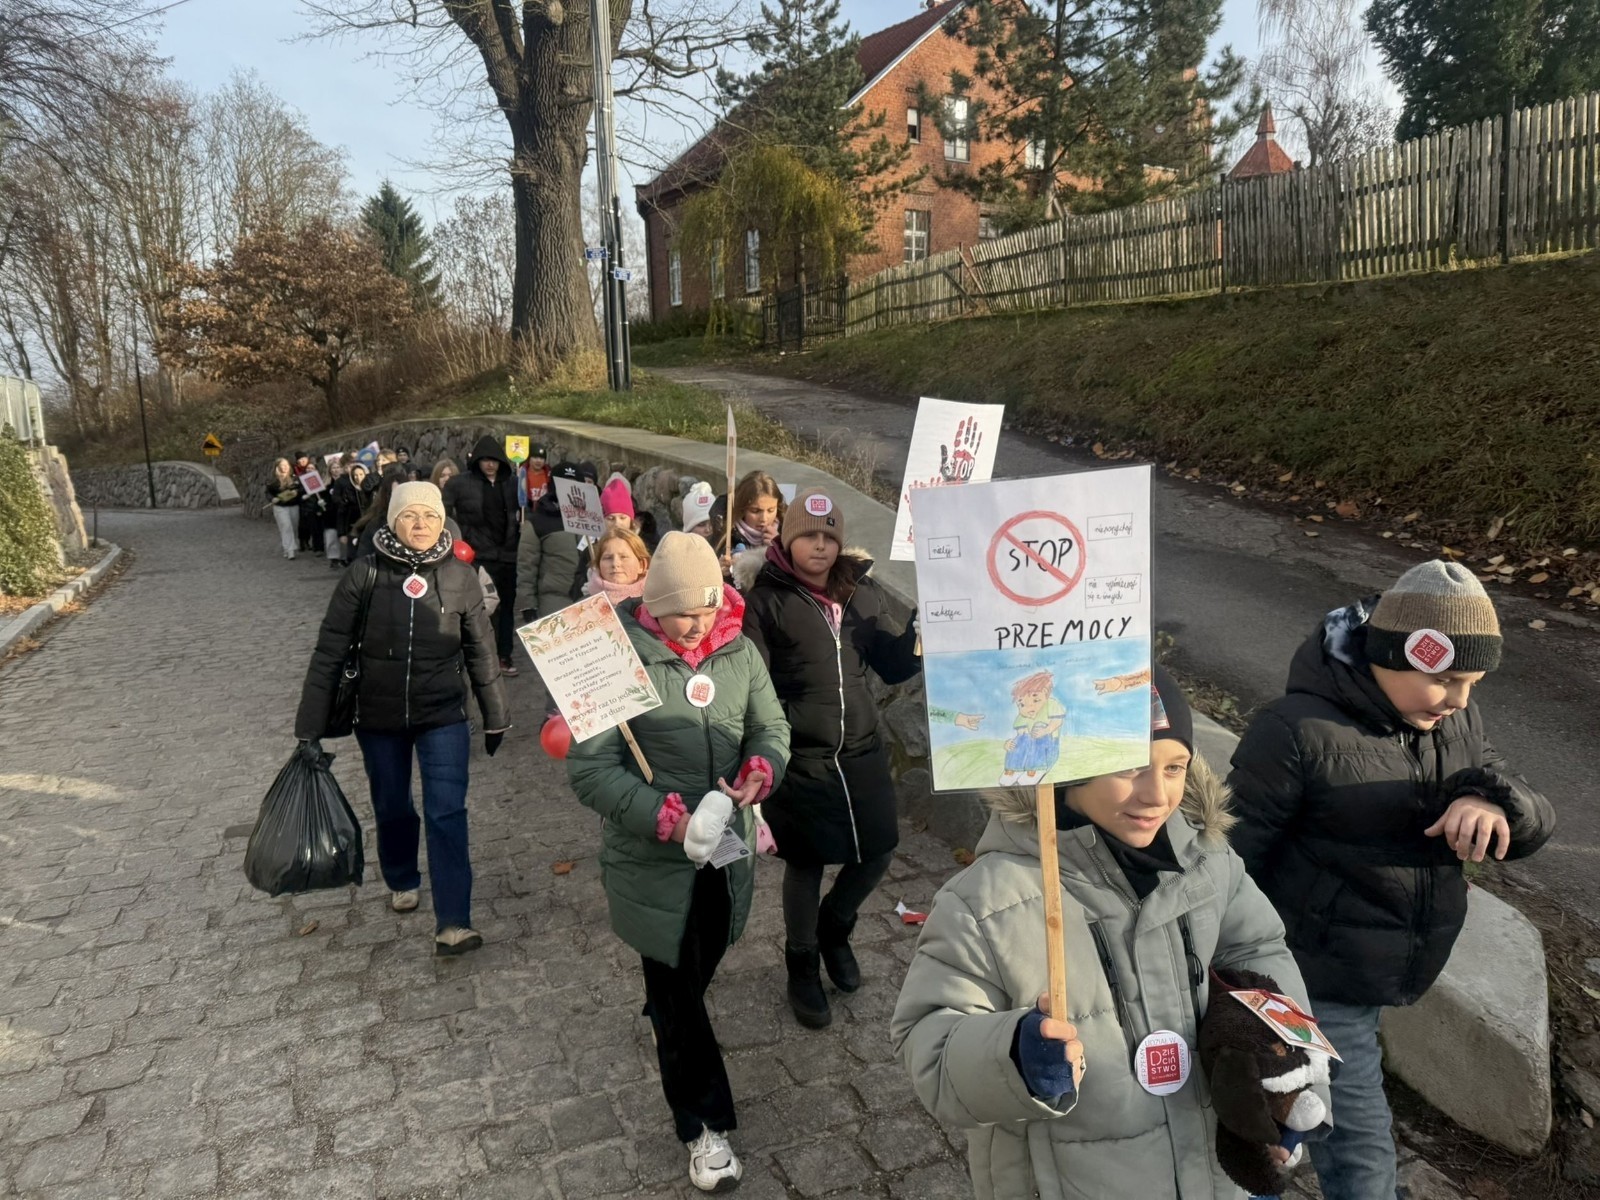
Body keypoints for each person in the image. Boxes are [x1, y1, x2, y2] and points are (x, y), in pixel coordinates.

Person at [891, 667, 1328, 1200]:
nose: (1155, 794)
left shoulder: (1209, 861)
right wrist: (1011, 1058)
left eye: (1174, 768)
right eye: (1127, 766)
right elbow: (931, 1047)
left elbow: (1258, 949)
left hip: (1213, 1175)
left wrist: (1281, 1067)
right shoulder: (985, 900)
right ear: (1069, 765)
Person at [1227, 561, 1555, 1200]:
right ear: (1390, 655)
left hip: (1386, 964)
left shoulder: (1453, 722)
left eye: (1474, 682)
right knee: (1358, 1133)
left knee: (1298, 1102)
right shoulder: (1295, 731)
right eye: (1447, 678)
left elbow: (1513, 797)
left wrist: (1494, 802)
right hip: (1313, 971)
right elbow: (1234, 856)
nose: (1460, 698)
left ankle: (1250, 1162)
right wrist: (1236, 971)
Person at [566, 532, 789, 1193]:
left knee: (705, 954)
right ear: (653, 604)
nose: (695, 623)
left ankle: (666, 1005)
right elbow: (591, 770)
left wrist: (759, 771)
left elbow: (770, 729)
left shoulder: (740, 653)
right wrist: (667, 819)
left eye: (705, 607)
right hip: (652, 859)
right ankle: (704, 1126)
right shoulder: (611, 659)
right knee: (680, 998)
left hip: (725, 845)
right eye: (681, 611)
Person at [294, 481, 510, 956]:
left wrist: (496, 715)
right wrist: (308, 728)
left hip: (444, 714)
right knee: (392, 804)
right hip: (379, 715)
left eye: (430, 516)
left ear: (442, 521)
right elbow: (329, 650)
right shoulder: (363, 574)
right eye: (410, 516)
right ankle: (401, 874)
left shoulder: (460, 576)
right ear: (393, 520)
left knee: (447, 810)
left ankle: (454, 920)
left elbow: (482, 649)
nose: (421, 525)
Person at [736, 488, 921, 1029]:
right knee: (807, 861)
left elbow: (891, 666)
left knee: (878, 850)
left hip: (861, 751)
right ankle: (801, 963)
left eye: (828, 537)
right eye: (808, 536)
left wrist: (916, 636)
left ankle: (834, 928)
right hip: (800, 757)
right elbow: (753, 683)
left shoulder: (859, 593)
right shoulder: (765, 598)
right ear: (789, 539)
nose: (819, 546)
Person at [443, 436, 522, 676]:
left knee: (506, 608)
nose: (490, 464)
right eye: (486, 459)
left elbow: (524, 510)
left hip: (508, 554)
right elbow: (444, 513)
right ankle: (480, 655)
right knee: (482, 608)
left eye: (495, 460)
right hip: (478, 557)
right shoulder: (459, 484)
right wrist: (460, 539)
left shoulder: (513, 483)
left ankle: (504, 655)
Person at [516, 461, 588, 621]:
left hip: (588, 599)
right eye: (564, 483)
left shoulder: (593, 521)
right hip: (553, 601)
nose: (570, 488)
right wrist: (527, 605)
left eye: (575, 484)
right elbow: (526, 567)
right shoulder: (538, 522)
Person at [708, 472, 784, 567]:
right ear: (742, 509)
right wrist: (718, 570)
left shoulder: (787, 533)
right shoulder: (724, 535)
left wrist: (780, 548)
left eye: (771, 510)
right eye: (755, 511)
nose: (764, 519)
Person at [582, 527, 651, 606]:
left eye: (623, 557)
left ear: (642, 565)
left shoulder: (658, 604)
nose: (615, 564)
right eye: (608, 558)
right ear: (598, 565)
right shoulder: (582, 607)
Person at [329, 457, 367, 566]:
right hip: (352, 526)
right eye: (355, 475)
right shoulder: (347, 491)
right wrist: (342, 533)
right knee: (353, 554)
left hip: (368, 527)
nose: (358, 478)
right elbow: (342, 512)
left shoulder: (371, 491)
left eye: (361, 474)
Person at [265, 458, 303, 560]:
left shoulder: (295, 478)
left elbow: (301, 489)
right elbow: (268, 492)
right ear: (277, 467)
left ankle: (288, 547)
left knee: (293, 527)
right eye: (282, 465)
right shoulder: (273, 481)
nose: (285, 467)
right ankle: (290, 550)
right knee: (286, 526)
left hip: (293, 505)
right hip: (280, 507)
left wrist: (297, 492)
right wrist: (272, 498)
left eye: (287, 465)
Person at [519, 445, 550, 514]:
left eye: (542, 458)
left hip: (545, 511)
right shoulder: (521, 474)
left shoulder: (549, 474)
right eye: (535, 457)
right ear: (529, 458)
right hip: (526, 511)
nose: (538, 461)